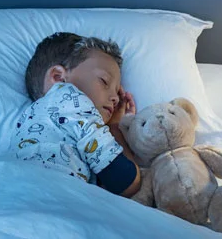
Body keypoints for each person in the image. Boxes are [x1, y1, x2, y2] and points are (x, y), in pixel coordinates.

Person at [12, 32, 142, 197]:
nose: (116, 98)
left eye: (117, 91)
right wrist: (115, 127)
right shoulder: (70, 98)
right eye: (104, 81)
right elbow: (127, 182)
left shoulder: (28, 120)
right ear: (59, 78)